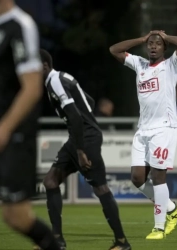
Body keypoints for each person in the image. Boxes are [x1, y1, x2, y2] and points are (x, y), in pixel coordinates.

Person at [0, 1, 60, 250]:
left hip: (13, 135)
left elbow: (32, 87)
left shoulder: (21, 25)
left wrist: (4, 128)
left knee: (15, 217)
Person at [36, 49, 131, 250]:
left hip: (85, 139)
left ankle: (122, 242)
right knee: (50, 181)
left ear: (44, 65)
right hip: (79, 137)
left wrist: (80, 150)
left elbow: (76, 117)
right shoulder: (61, 78)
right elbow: (89, 102)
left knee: (100, 188)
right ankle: (57, 241)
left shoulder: (55, 81)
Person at [109, 30, 177, 239]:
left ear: (164, 48)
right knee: (137, 179)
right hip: (143, 129)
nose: (153, 46)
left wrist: (165, 36)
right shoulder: (140, 64)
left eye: (158, 44)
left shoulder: (172, 65)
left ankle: (159, 228)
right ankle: (172, 208)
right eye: (150, 44)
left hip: (164, 128)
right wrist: (142, 38)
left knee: (157, 176)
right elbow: (114, 50)